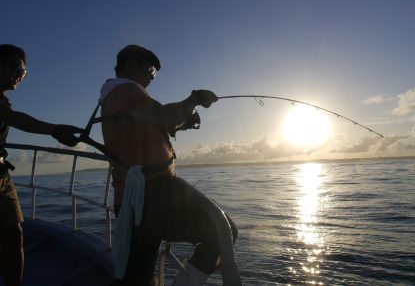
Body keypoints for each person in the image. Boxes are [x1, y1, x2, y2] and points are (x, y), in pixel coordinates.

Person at [99, 45, 238, 286]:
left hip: (136, 200)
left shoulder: (118, 95)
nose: (152, 77)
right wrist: (194, 99)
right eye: (151, 70)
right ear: (131, 64)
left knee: (138, 275)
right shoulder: (125, 90)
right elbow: (164, 116)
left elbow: (157, 124)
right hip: (153, 194)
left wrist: (184, 122)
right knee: (223, 231)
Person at [0, 44, 81, 286]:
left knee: (15, 234)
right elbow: (16, 119)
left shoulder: (3, 101)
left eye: (23, 72)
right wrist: (54, 130)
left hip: (3, 175)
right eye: (14, 67)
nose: (19, 75)